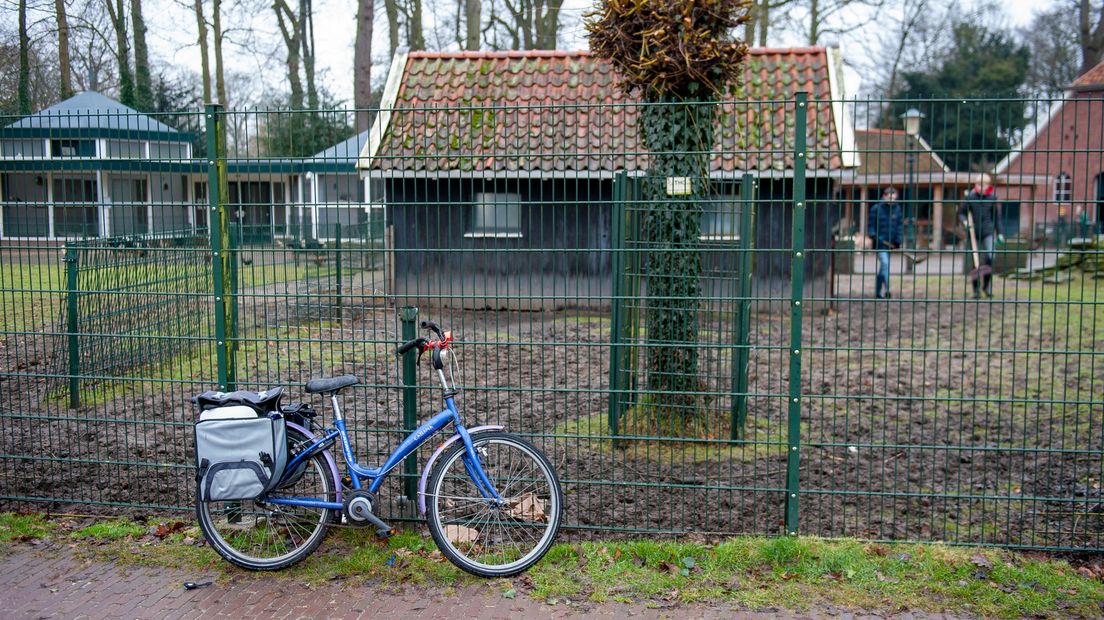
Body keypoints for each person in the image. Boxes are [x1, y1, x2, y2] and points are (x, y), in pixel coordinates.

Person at [959, 173, 1001, 298]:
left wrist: (1000, 233)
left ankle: (986, 287)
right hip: (974, 234)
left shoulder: (992, 198)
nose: (981, 187)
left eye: (984, 184)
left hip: (988, 232)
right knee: (975, 262)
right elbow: (962, 213)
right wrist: (965, 222)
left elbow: (996, 218)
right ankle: (976, 290)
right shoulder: (970, 197)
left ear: (988, 185)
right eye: (979, 184)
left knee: (990, 257)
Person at [868, 187, 903, 299]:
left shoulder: (897, 209)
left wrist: (898, 240)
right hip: (880, 243)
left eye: (893, 197)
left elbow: (899, 226)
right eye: (889, 196)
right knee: (885, 264)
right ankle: (888, 289)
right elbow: (871, 225)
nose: (891, 199)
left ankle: (878, 292)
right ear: (884, 196)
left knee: (883, 268)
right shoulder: (876, 208)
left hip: (890, 244)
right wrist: (873, 235)